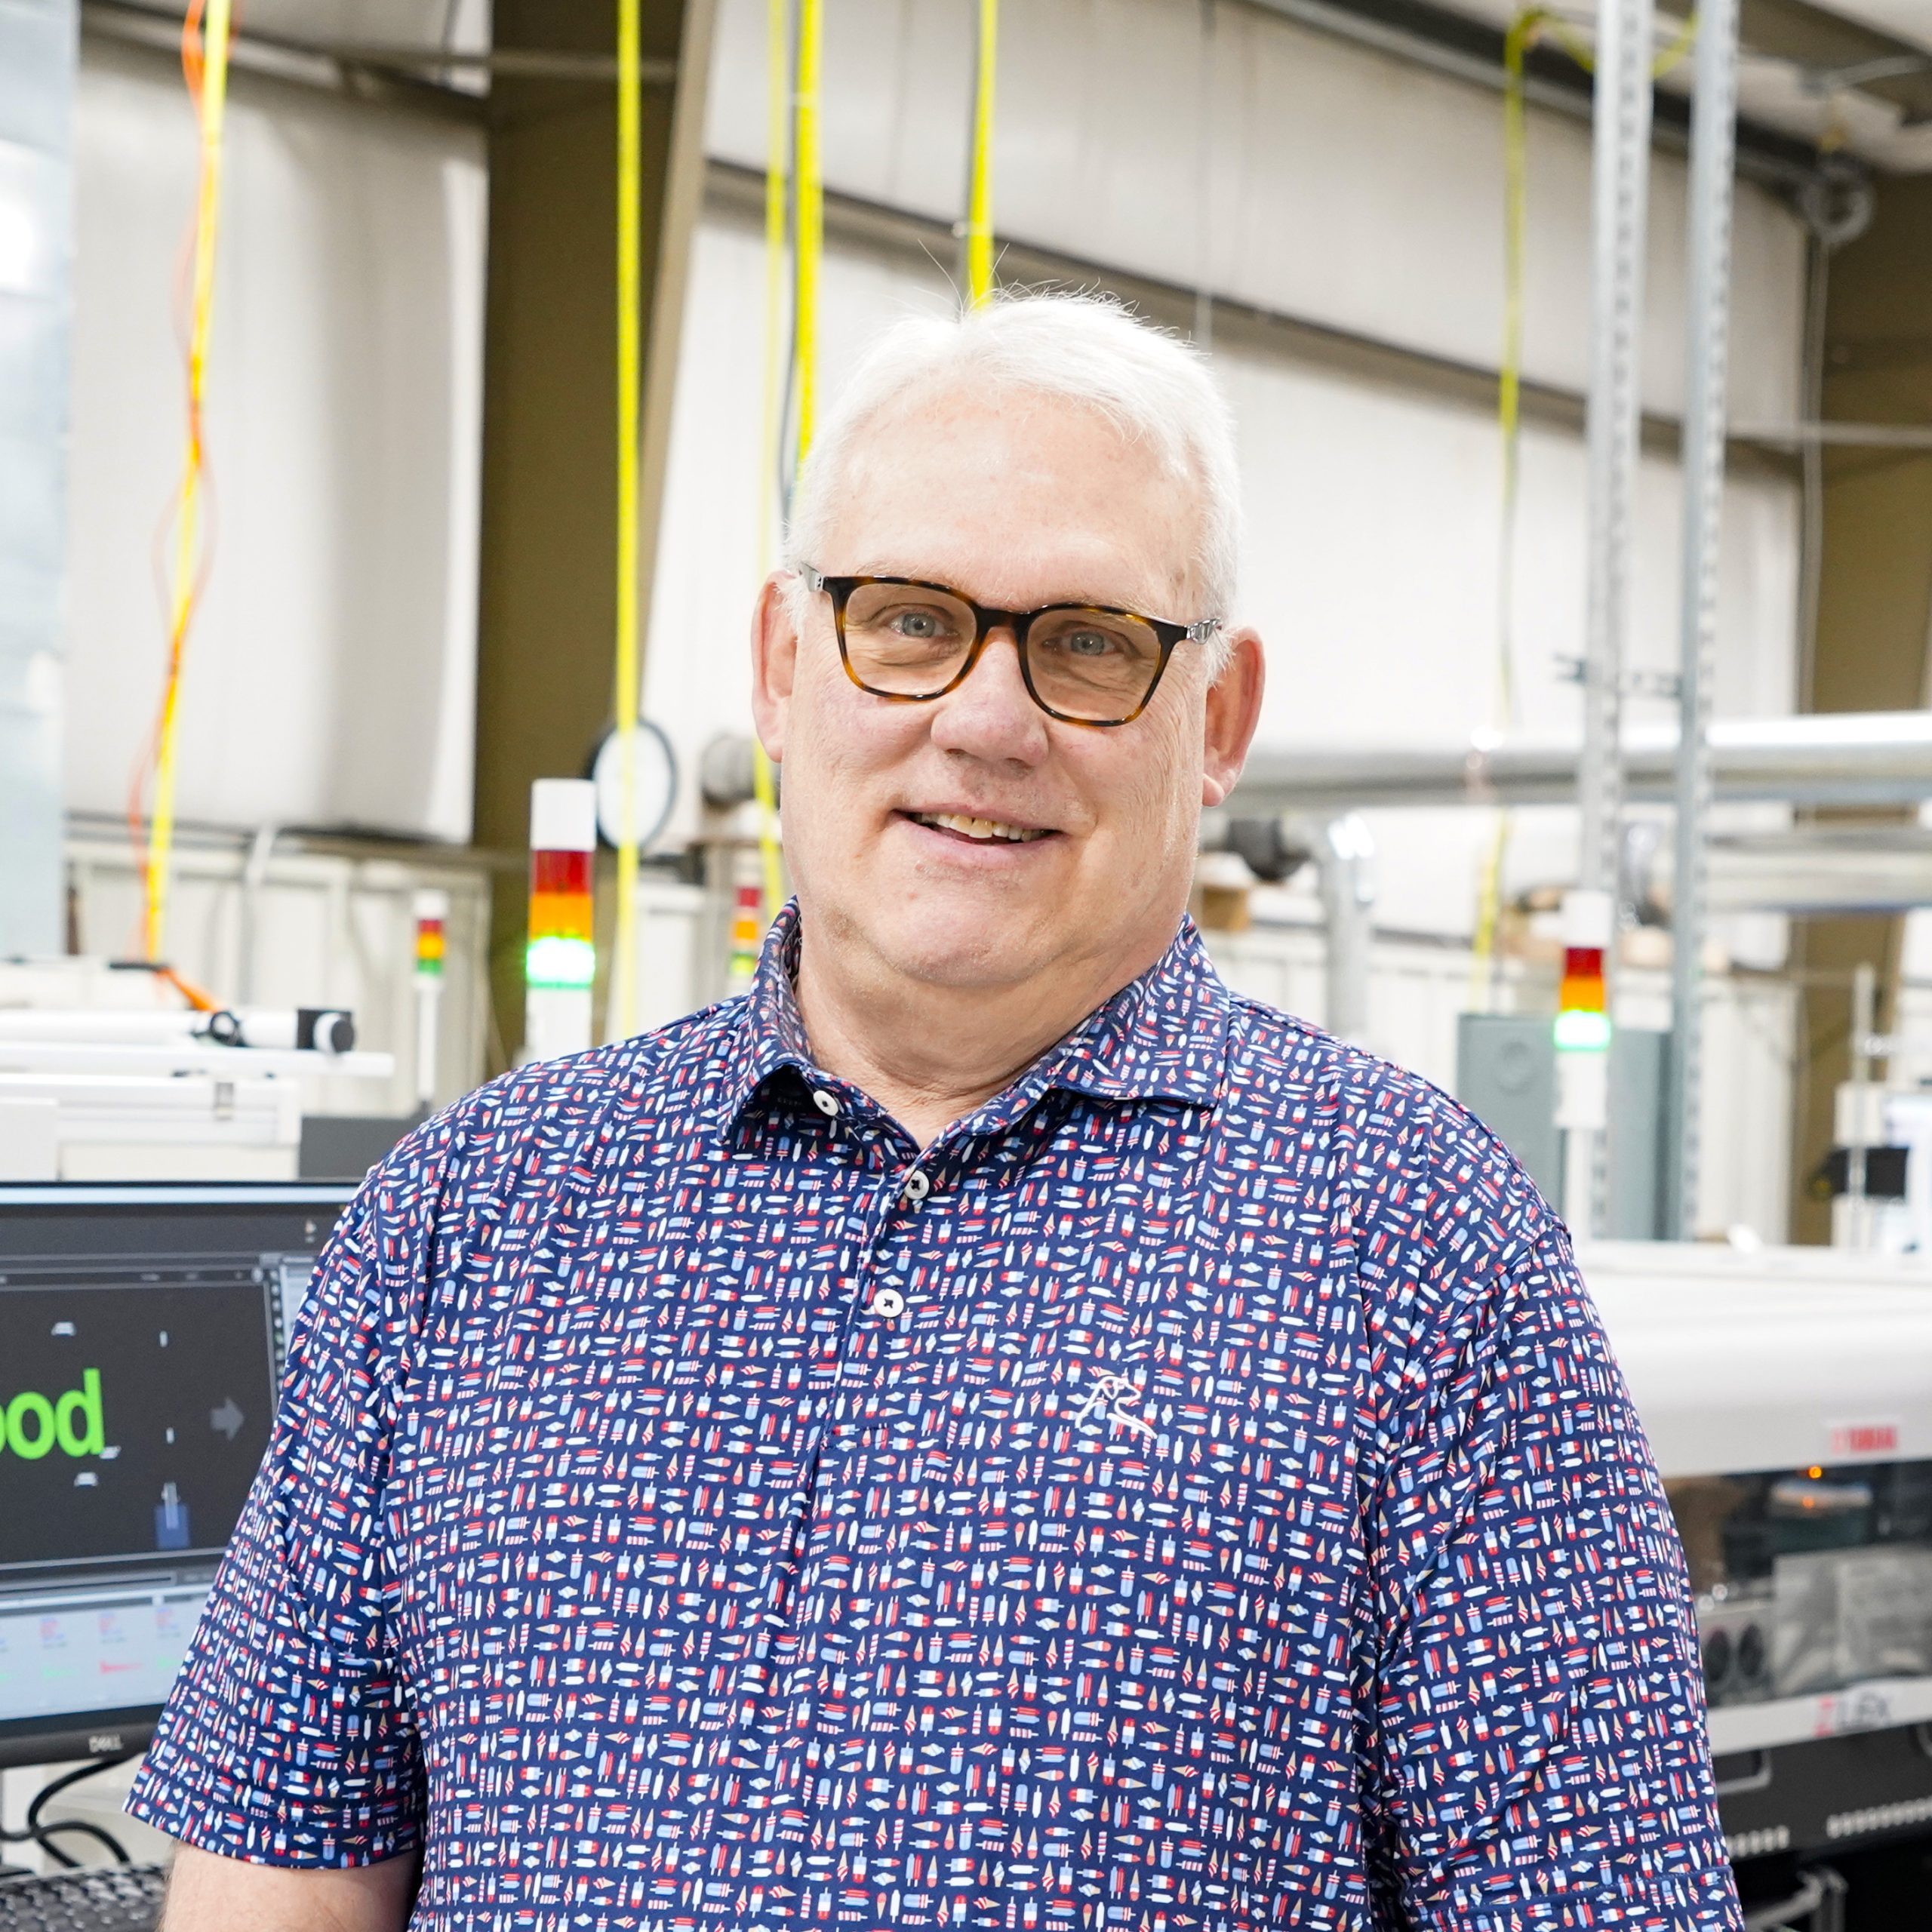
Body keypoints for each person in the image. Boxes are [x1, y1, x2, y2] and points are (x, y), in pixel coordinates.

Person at [132, 293, 1743, 1930]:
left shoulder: (1412, 1245)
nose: (982, 720)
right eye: (907, 621)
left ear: (1218, 721)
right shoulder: (471, 1212)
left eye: (1089, 643)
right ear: (781, 668)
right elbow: (281, 1876)